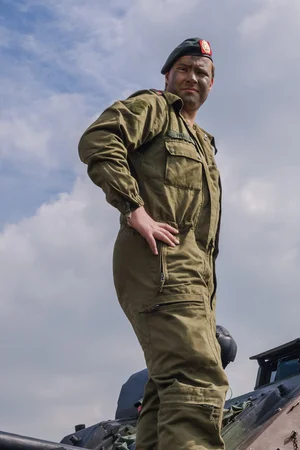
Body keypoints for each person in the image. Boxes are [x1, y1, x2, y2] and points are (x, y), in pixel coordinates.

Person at [78, 37, 228, 450]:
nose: (192, 78)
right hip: (162, 268)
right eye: (184, 69)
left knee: (166, 393)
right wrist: (133, 208)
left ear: (212, 85)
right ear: (167, 76)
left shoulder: (204, 142)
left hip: (193, 279)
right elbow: (99, 140)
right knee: (198, 378)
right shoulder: (156, 107)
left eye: (202, 73)